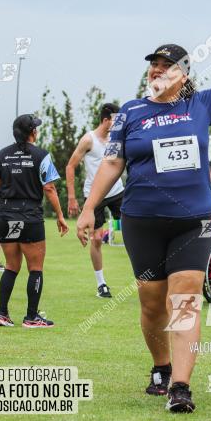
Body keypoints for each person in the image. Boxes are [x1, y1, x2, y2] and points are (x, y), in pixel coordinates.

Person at [77, 3, 211, 413]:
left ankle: (181, 388)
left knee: (184, 297)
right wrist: (88, 207)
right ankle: (161, 368)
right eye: (153, 66)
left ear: (182, 75)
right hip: (142, 221)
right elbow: (113, 162)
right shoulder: (131, 112)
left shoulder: (200, 106)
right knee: (151, 302)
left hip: (193, 220)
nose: (156, 71)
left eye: (165, 67)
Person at [0, 114, 68, 327]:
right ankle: (31, 316)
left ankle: (1, 313)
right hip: (30, 217)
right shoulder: (42, 155)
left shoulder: (2, 155)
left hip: (6, 215)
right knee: (35, 268)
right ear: (33, 132)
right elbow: (49, 188)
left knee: (11, 266)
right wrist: (59, 215)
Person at [66, 103, 124, 298]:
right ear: (106, 120)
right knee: (97, 239)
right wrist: (72, 198)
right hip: (94, 195)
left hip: (117, 192)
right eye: (115, 121)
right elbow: (70, 166)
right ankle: (101, 285)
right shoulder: (88, 140)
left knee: (135, 231)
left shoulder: (117, 138)